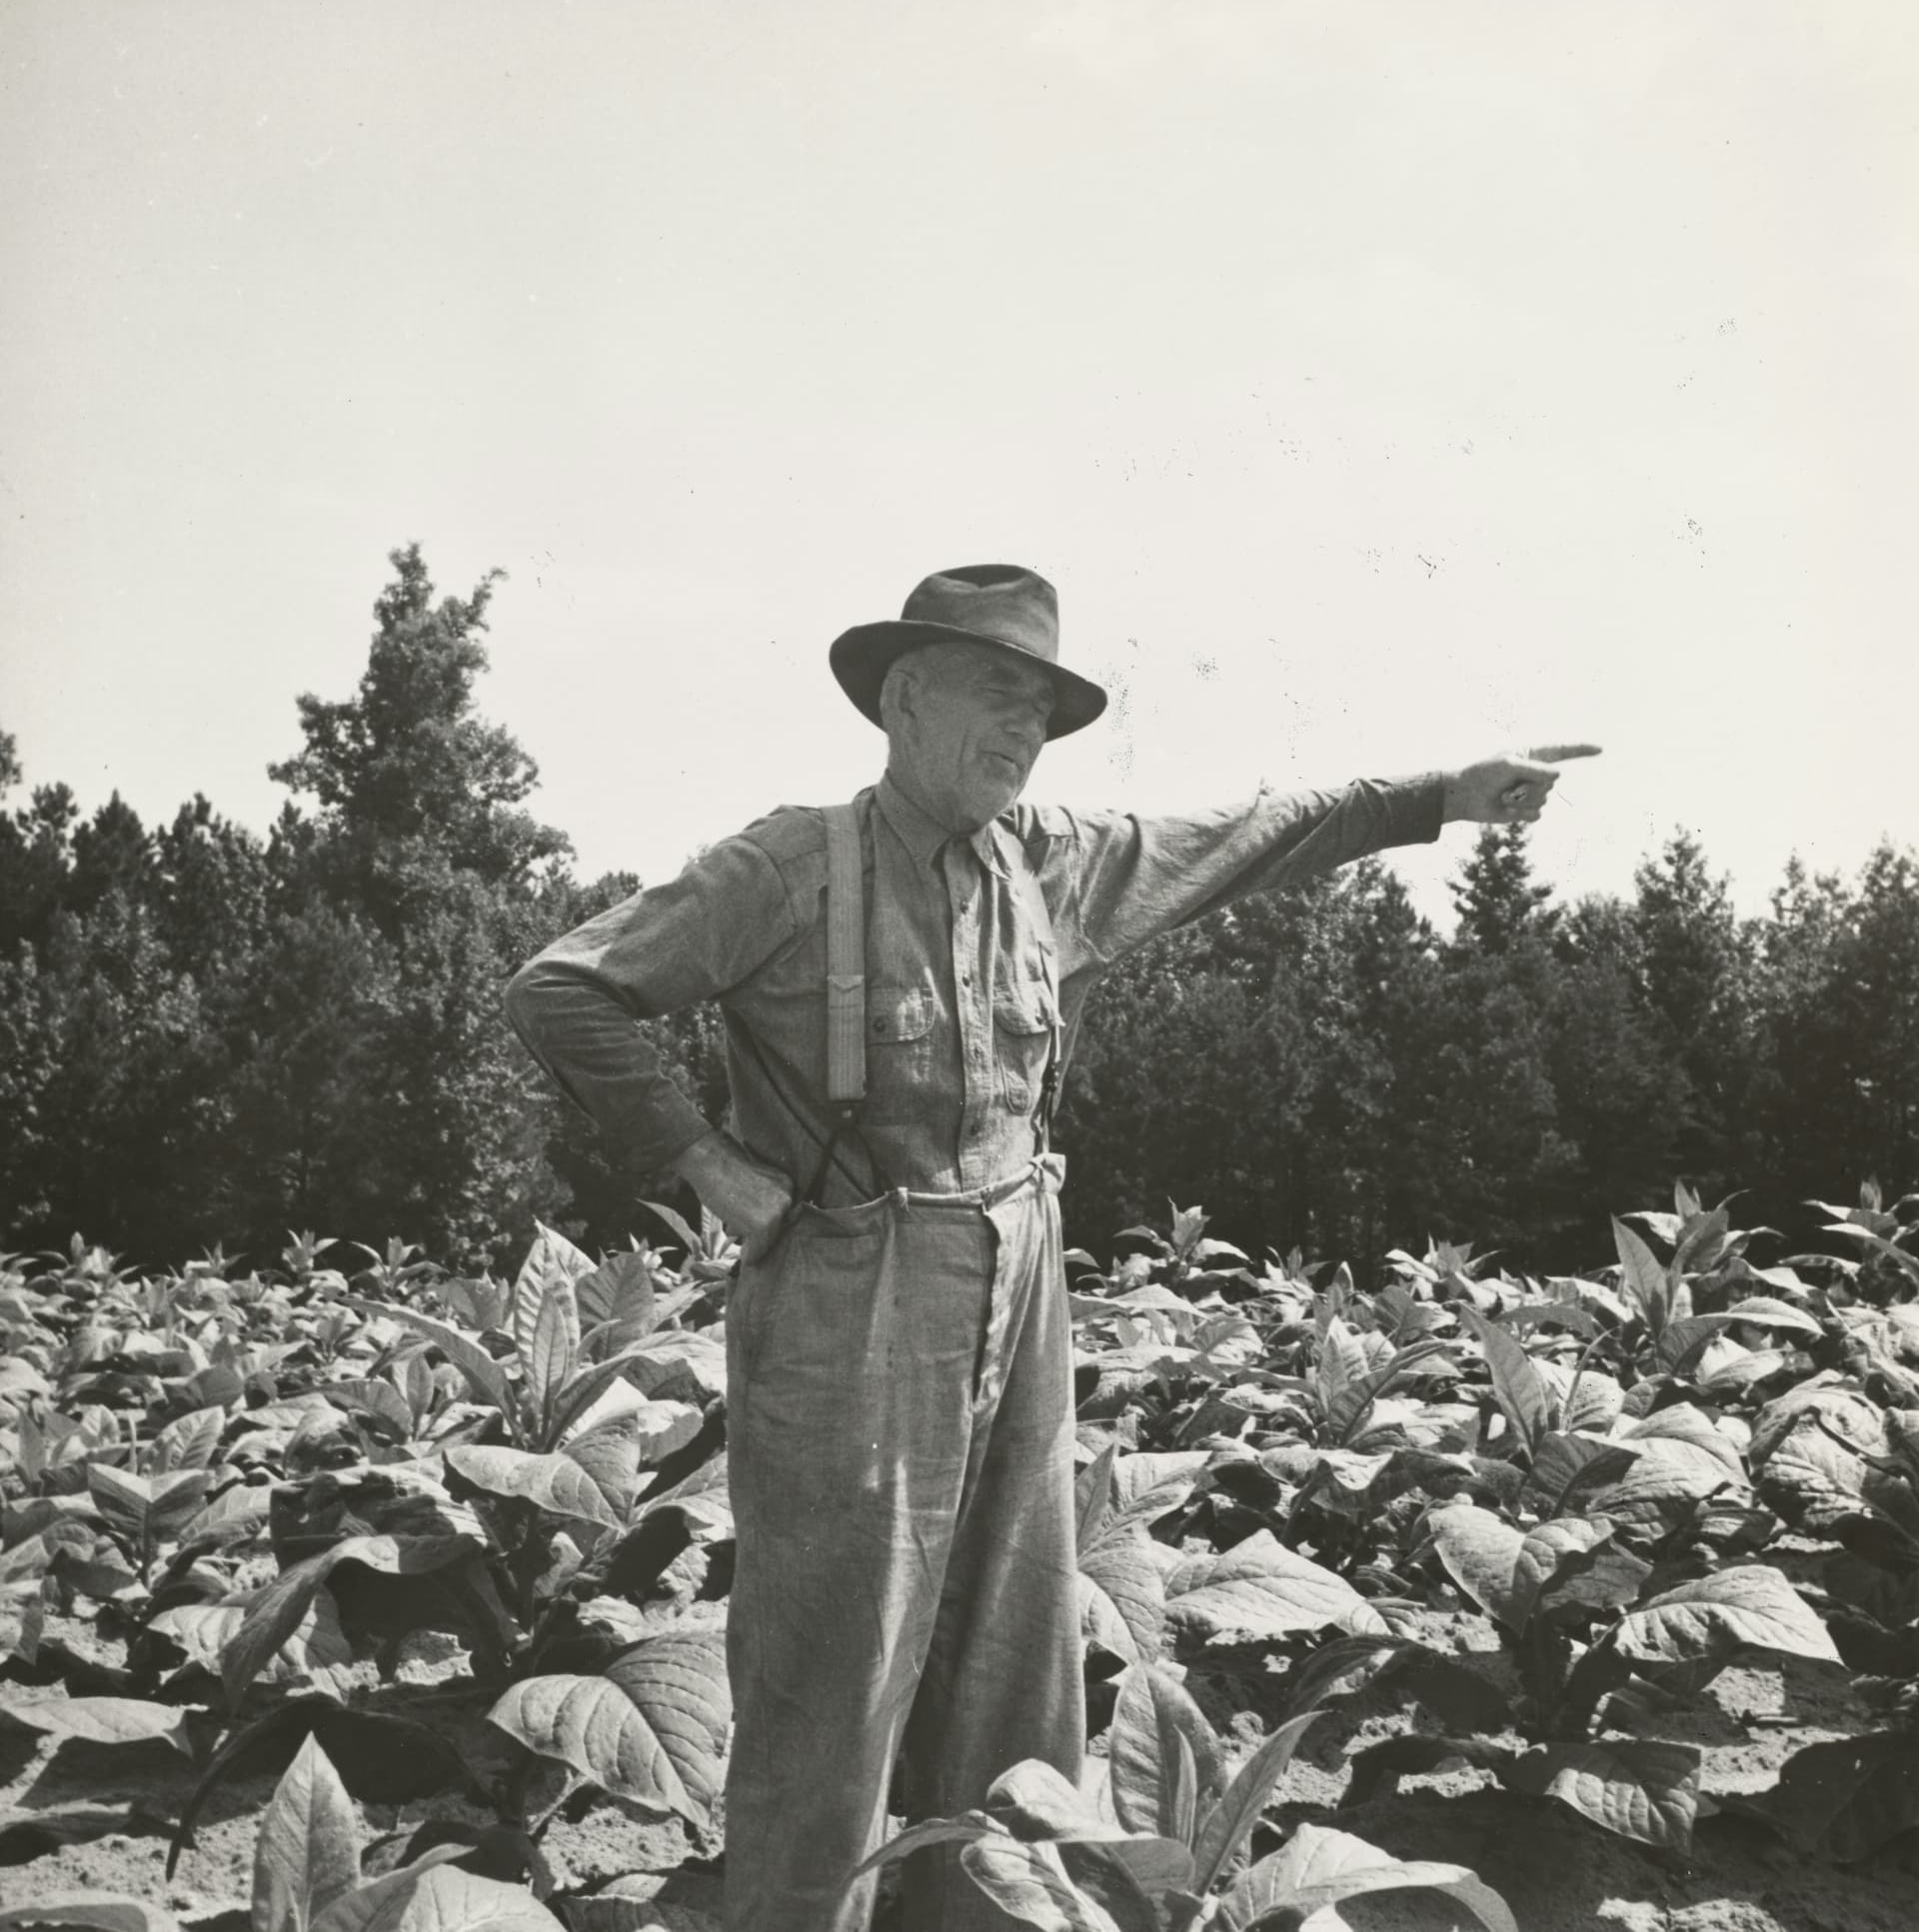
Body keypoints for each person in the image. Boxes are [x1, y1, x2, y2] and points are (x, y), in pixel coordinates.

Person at [504, 563, 1599, 1932]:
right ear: (905, 698)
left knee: (1020, 1658)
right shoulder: (785, 868)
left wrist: (1442, 793)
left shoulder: (1053, 861)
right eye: (997, 694)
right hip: (855, 1281)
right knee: (832, 1675)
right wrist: (707, 1164)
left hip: (1021, 1277)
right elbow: (564, 987)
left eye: (1045, 708)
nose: (1024, 733)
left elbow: (1249, 830)